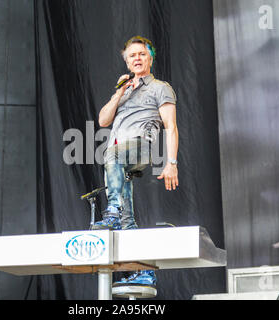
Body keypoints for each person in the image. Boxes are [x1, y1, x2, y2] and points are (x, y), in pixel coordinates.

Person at [92, 36, 179, 288]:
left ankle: (112, 210)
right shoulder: (123, 90)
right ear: (127, 62)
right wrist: (119, 92)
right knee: (127, 221)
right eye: (132, 56)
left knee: (112, 156)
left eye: (141, 54)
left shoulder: (160, 87)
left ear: (149, 58)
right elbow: (102, 121)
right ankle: (143, 271)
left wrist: (171, 162)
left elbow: (171, 126)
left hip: (141, 146)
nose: (137, 58)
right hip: (118, 159)